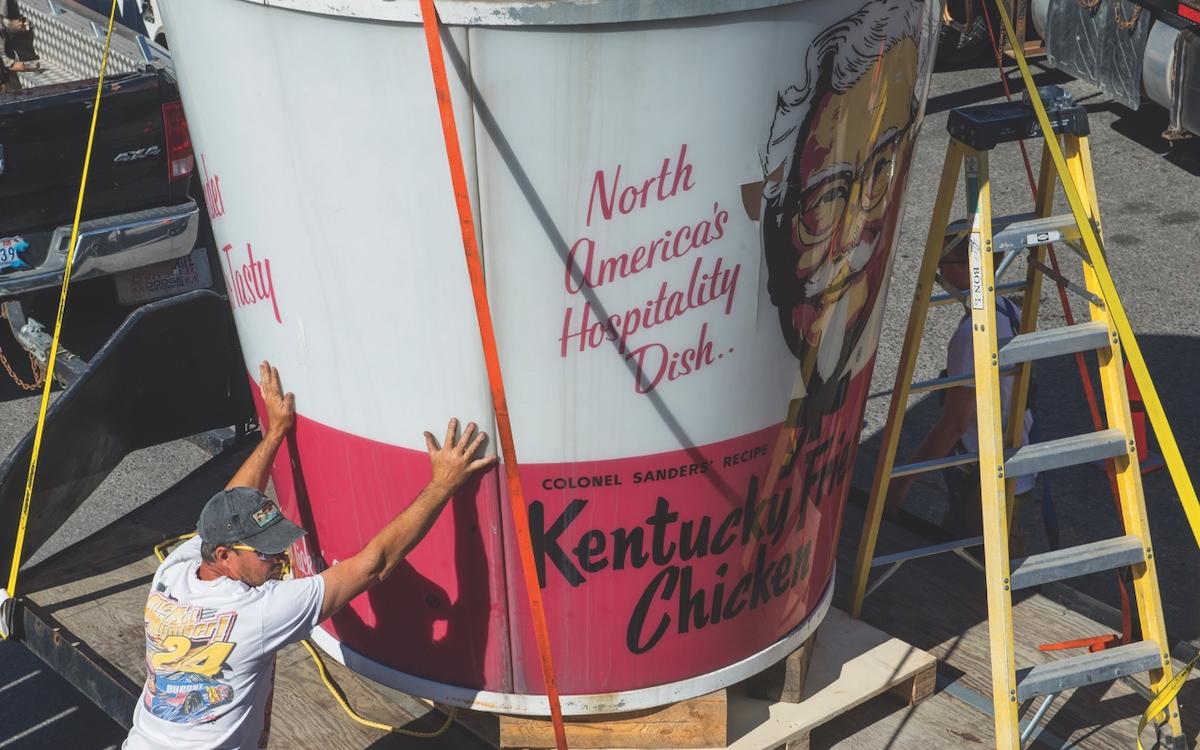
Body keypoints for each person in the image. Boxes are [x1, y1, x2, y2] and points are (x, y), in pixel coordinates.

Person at [123, 361, 496, 749]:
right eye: (266, 551)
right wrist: (443, 484)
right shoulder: (259, 612)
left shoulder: (174, 572)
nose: (277, 558)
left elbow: (227, 506)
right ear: (224, 555)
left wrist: (275, 432)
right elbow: (375, 564)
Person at [885, 236, 1035, 540]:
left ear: (971, 268)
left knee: (974, 562)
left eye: (945, 262)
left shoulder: (971, 336)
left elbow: (954, 424)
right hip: (1016, 462)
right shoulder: (1008, 310)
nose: (937, 271)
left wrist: (901, 482)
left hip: (984, 473)